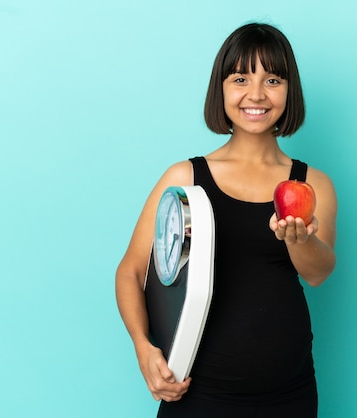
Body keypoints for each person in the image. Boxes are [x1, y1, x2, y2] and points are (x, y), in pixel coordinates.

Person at [115, 22, 337, 418]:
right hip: (197, 395)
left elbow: (319, 273)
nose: (256, 94)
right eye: (240, 78)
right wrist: (143, 348)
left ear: (290, 90)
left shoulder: (312, 184)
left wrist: (298, 239)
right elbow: (131, 271)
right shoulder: (184, 178)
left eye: (272, 79)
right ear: (221, 88)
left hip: (290, 395)